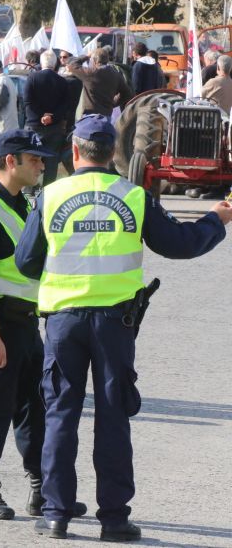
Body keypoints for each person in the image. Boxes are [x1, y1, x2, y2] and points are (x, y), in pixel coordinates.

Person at [15, 114, 231, 542]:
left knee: (61, 416)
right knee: (114, 418)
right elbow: (179, 245)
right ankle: (113, 519)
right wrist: (216, 220)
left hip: (64, 322)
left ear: (75, 151)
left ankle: (56, 513)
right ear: (114, 152)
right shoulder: (133, 196)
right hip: (115, 325)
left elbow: (25, 262)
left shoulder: (50, 196)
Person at [0, 129, 86, 521]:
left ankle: (41, 488)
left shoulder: (19, 202)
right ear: (11, 161)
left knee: (35, 409)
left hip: (24, 323)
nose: (42, 166)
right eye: (35, 160)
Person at [24, 50, 69, 185]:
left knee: (31, 157)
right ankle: (48, 189)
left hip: (34, 126)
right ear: (55, 63)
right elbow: (65, 105)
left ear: (41, 62)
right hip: (55, 128)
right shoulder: (62, 81)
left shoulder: (32, 78)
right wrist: (52, 117)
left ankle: (29, 187)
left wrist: (40, 117)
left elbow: (27, 102)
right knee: (51, 161)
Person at [67, 47, 132, 118]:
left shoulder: (90, 73)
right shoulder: (115, 74)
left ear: (94, 61)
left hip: (91, 116)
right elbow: (127, 93)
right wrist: (113, 103)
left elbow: (72, 64)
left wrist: (87, 56)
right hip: (107, 116)